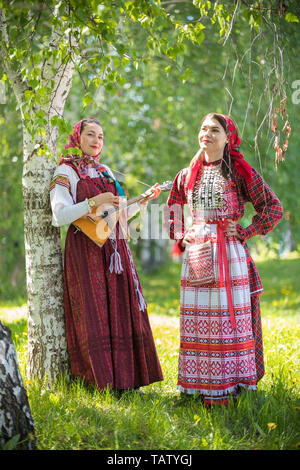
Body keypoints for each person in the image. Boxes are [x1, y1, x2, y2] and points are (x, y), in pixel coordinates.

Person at [164, 113, 283, 406]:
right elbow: (172, 210)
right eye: (203, 128)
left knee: (226, 321)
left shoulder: (240, 172)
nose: (207, 134)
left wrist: (247, 230)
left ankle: (230, 386)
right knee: (199, 319)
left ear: (228, 137)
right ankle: (198, 387)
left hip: (229, 254)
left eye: (214, 130)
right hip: (198, 255)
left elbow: (273, 207)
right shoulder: (186, 174)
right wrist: (182, 235)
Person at [50, 117, 163, 393]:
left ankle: (126, 381)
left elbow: (118, 215)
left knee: (119, 308)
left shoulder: (106, 171)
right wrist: (92, 201)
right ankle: (99, 382)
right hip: (85, 251)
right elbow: (59, 215)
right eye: (90, 134)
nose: (96, 141)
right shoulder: (65, 171)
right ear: (77, 137)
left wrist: (142, 201)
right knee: (94, 311)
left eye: (101, 136)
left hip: (115, 252)